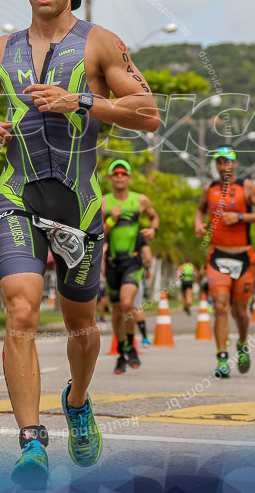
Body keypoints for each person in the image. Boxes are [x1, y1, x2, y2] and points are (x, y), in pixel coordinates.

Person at [0, 0, 159, 483]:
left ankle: (77, 400)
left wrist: (84, 101)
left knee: (83, 328)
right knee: (20, 311)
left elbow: (148, 114)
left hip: (78, 203)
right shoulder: (0, 50)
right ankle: (30, 439)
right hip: (17, 196)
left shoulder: (101, 43)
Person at [194, 146, 255, 378]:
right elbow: (199, 211)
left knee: (240, 311)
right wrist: (198, 224)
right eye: (219, 162)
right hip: (217, 256)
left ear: (234, 164)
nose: (223, 166)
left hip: (243, 257)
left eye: (227, 162)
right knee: (220, 306)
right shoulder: (210, 189)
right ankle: (222, 359)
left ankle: (243, 343)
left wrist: (240, 217)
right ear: (215, 166)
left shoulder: (246, 187)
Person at [101, 159, 159, 374]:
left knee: (127, 303)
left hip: (133, 261)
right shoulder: (104, 203)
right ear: (110, 178)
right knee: (116, 312)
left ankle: (131, 345)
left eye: (123, 173)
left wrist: (152, 230)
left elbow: (155, 218)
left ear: (129, 177)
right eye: (115, 173)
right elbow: (96, 235)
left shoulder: (140, 200)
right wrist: (110, 221)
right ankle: (122, 352)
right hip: (113, 262)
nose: (119, 176)